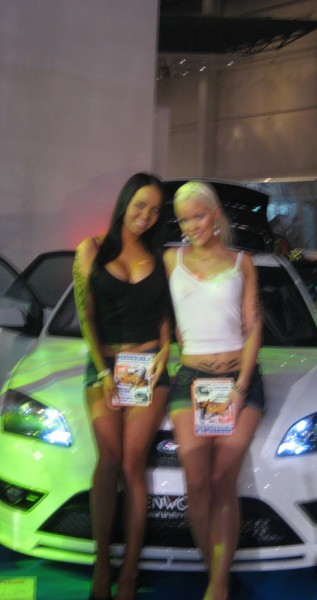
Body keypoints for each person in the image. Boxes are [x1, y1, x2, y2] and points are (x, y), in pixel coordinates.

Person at [163, 181, 265, 600]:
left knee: (223, 478)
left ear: (215, 213)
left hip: (238, 381)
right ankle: (218, 578)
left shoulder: (243, 262)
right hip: (190, 380)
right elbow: (150, 308)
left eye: (198, 216)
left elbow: (253, 326)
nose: (191, 226)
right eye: (183, 219)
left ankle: (217, 586)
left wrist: (241, 386)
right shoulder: (171, 259)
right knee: (196, 481)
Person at [73, 173, 171, 600]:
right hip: (106, 365)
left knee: (133, 464)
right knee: (109, 459)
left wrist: (164, 354)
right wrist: (103, 371)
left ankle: (129, 571)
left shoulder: (160, 257)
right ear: (125, 203)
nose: (146, 216)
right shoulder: (91, 249)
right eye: (140, 206)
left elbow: (165, 314)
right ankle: (102, 564)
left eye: (154, 210)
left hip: (149, 366)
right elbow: (86, 318)